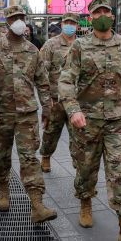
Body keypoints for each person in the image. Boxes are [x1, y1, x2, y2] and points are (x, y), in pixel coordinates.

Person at [58, 0, 121, 240]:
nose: (102, 15)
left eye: (106, 11)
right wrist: (73, 110)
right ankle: (85, 201)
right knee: (86, 168)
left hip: (118, 119)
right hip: (87, 120)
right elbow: (66, 81)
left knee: (120, 171)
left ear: (113, 16)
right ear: (91, 18)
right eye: (97, 13)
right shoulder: (80, 47)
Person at [0, 5, 57, 224]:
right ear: (6, 22)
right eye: (14, 18)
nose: (18, 21)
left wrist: (47, 108)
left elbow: (42, 83)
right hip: (2, 114)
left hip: (27, 114)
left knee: (29, 158)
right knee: (1, 157)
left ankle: (37, 205)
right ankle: (4, 190)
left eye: (21, 18)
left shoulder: (33, 50)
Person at [39, 13, 79, 173]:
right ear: (62, 24)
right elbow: (42, 73)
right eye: (66, 22)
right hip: (56, 99)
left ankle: (79, 164)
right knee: (51, 132)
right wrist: (46, 99)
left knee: (78, 135)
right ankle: (46, 156)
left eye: (72, 23)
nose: (69, 25)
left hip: (76, 100)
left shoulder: (82, 44)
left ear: (77, 26)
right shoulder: (51, 44)